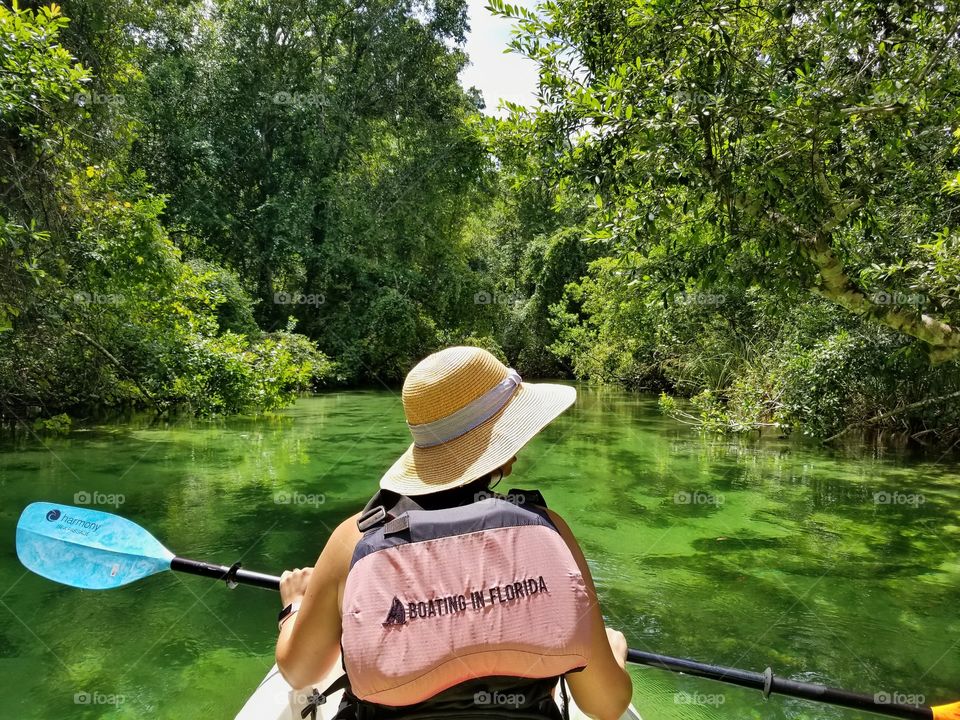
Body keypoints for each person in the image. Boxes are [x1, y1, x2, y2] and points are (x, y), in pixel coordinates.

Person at [276, 346, 633, 720]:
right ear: (505, 451)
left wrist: (295, 607)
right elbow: (605, 705)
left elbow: (300, 672)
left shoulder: (354, 538)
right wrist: (614, 656)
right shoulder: (549, 530)